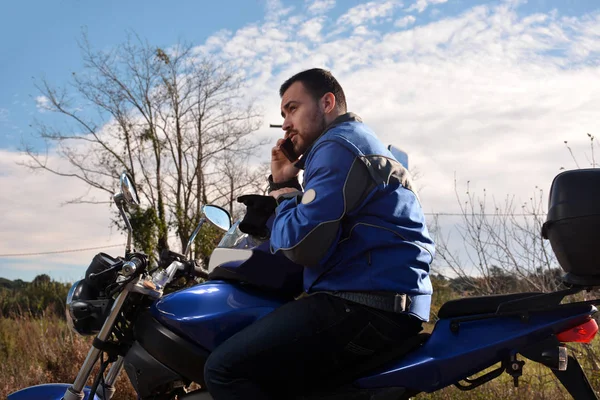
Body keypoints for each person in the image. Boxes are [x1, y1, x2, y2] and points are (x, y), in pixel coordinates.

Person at [204, 68, 435, 399]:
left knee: (223, 369)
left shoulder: (336, 146)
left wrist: (283, 189)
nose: (285, 124)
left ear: (327, 102)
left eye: (293, 109)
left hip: (364, 304)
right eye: (282, 114)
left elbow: (301, 246)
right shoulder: (358, 141)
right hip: (390, 301)